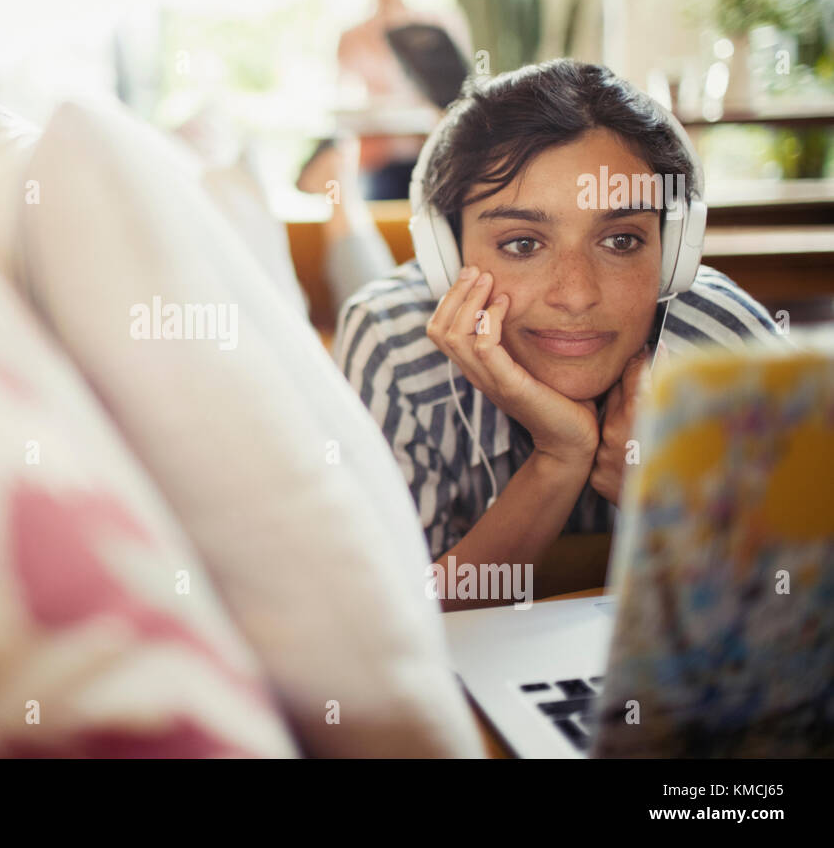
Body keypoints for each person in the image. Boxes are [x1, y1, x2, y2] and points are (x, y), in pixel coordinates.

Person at [334, 59, 785, 589]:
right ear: (447, 257)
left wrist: (668, 501)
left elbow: (799, 612)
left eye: (620, 240)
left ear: (673, 257)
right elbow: (392, 632)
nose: (575, 296)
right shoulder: (392, 343)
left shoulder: (723, 346)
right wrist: (559, 459)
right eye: (522, 244)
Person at [337, 0, 471, 200]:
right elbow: (345, 99)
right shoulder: (352, 36)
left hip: (432, 150)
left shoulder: (436, 25)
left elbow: (462, 87)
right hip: (378, 158)